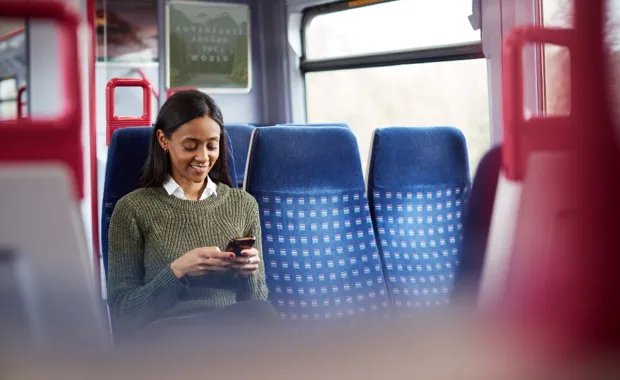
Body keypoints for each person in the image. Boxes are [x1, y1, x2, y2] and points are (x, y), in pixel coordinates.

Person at [106, 90, 277, 341]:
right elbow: (124, 313)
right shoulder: (132, 209)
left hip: (229, 332)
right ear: (164, 140)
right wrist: (178, 270)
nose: (203, 157)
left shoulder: (243, 204)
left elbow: (255, 302)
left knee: (264, 313)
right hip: (169, 335)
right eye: (190, 146)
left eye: (212, 145)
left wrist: (248, 273)